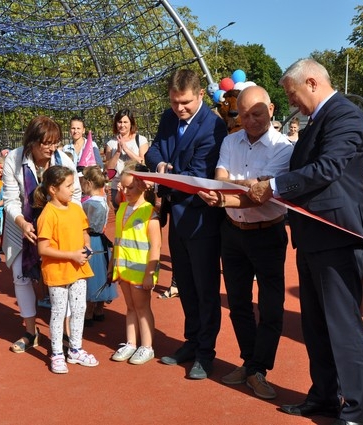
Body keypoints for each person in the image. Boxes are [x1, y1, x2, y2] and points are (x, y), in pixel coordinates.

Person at [247, 58, 363, 423]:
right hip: (312, 237)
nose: (291, 102)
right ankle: (324, 396)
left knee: (343, 327)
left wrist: (276, 186)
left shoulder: (346, 116)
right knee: (316, 327)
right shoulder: (316, 121)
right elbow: (303, 171)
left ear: (311, 83)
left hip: (338, 238)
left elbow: (328, 167)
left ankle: (356, 409)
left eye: (292, 93)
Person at [197, 86, 293, 399]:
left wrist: (231, 192)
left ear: (272, 109)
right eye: (243, 114)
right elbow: (225, 180)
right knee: (238, 304)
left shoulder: (284, 148)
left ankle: (258, 368)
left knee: (270, 307)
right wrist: (245, 186)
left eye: (257, 113)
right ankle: (250, 364)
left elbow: (260, 195)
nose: (249, 120)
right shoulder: (229, 141)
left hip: (268, 233)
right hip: (233, 234)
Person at [145, 69, 227, 380]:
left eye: (186, 103)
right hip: (176, 219)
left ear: (201, 95)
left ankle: (206, 354)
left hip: (201, 221)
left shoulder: (213, 127)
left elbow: (195, 175)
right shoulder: (169, 118)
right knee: (187, 288)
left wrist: (165, 171)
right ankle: (191, 342)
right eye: (175, 102)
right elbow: (153, 151)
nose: (180, 108)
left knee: (206, 290)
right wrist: (162, 165)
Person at [2, 115, 81, 354]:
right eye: (46, 143)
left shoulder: (64, 160)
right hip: (21, 228)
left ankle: (65, 333)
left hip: (58, 229)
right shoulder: (14, 159)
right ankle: (30, 331)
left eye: (54, 142)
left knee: (62, 278)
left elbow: (74, 195)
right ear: (32, 141)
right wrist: (22, 223)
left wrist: (65, 223)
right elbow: (10, 199)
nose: (51, 148)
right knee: (21, 277)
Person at [35, 165, 98, 373]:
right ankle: (57, 353)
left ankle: (75, 349)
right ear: (53, 189)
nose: (73, 190)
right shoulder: (47, 214)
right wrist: (71, 255)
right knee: (59, 311)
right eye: (69, 186)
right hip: (58, 272)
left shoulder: (76, 209)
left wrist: (87, 245)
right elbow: (43, 248)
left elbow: (84, 233)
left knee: (79, 310)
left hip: (78, 269)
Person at [110, 169, 161, 365]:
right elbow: (118, 240)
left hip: (141, 271)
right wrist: (111, 264)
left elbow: (155, 245)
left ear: (141, 186)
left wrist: (150, 273)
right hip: (123, 269)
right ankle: (131, 343)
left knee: (142, 307)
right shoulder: (122, 208)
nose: (126, 191)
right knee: (130, 307)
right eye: (123, 187)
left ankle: (146, 346)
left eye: (130, 187)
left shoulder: (150, 211)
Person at [79, 165, 117, 326]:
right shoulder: (103, 201)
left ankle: (88, 311)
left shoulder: (89, 204)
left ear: (88, 183)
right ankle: (99, 310)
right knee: (102, 273)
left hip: (91, 239)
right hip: (101, 239)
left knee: (91, 274)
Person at [105, 109, 149, 210]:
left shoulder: (141, 140)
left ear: (131, 123)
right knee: (122, 218)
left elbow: (142, 162)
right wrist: (118, 152)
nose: (122, 125)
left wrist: (126, 149)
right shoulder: (111, 143)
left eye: (125, 122)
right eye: (119, 122)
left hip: (137, 186)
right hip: (118, 187)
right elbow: (108, 170)